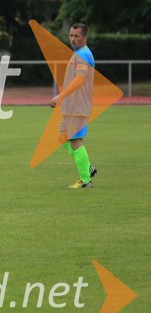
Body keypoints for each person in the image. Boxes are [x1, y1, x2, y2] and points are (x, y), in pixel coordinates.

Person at [49, 23, 97, 189]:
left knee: (76, 140)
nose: (73, 39)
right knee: (62, 137)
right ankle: (88, 168)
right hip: (71, 105)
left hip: (78, 105)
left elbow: (79, 79)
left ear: (85, 37)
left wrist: (60, 96)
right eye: (71, 35)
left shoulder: (83, 54)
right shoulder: (77, 53)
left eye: (76, 36)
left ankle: (86, 181)